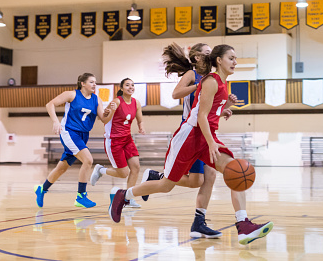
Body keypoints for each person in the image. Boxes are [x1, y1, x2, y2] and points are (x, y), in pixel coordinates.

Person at [109, 44, 274, 245]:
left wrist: (224, 109)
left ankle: (243, 225)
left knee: (235, 171)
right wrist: (212, 142)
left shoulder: (222, 84)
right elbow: (201, 116)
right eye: (231, 58)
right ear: (219, 60)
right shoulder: (211, 81)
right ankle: (123, 195)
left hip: (206, 136)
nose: (235, 62)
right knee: (166, 185)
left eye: (236, 58)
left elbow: (208, 112)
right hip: (189, 137)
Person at [142, 42, 235, 239]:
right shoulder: (195, 75)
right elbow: (176, 94)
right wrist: (198, 85)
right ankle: (159, 181)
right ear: (198, 57)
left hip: (205, 130)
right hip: (191, 129)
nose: (210, 55)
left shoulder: (216, 79)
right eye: (207, 52)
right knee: (201, 178)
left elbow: (209, 108)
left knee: (197, 181)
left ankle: (197, 221)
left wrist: (224, 107)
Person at [34, 73, 105, 208]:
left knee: (62, 168)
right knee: (88, 160)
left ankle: (42, 189)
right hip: (69, 132)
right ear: (82, 83)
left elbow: (103, 118)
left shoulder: (96, 99)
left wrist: (111, 112)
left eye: (95, 82)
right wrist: (55, 121)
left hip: (83, 135)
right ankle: (81, 196)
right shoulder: (72, 94)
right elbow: (50, 104)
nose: (94, 84)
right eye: (91, 82)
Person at [90, 78, 145, 208]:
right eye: (127, 85)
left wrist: (141, 127)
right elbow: (103, 119)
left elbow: (139, 119)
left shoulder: (136, 103)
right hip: (114, 141)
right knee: (123, 173)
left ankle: (129, 198)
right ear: (121, 88)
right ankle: (101, 170)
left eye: (132, 85)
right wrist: (110, 111)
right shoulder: (115, 102)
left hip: (127, 139)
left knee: (136, 167)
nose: (130, 87)